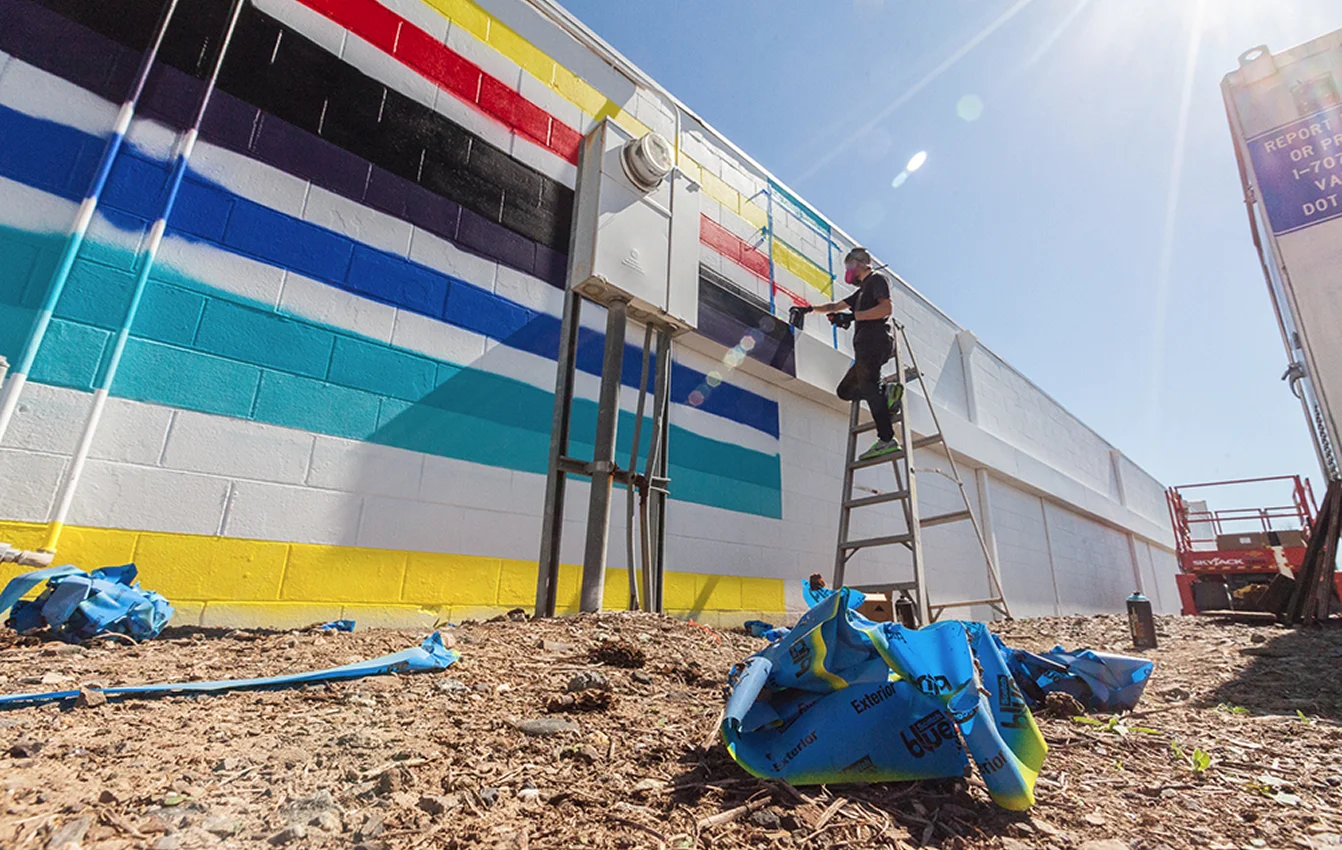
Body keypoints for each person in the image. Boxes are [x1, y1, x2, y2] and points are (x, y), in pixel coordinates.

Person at [798, 247, 902, 460]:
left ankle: (886, 439)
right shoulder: (862, 291)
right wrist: (809, 309)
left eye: (850, 266)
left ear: (861, 263)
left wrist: (853, 317)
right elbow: (835, 306)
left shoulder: (877, 280)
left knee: (869, 386)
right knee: (845, 391)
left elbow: (886, 309)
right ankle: (885, 393)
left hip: (875, 341)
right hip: (865, 346)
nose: (848, 272)